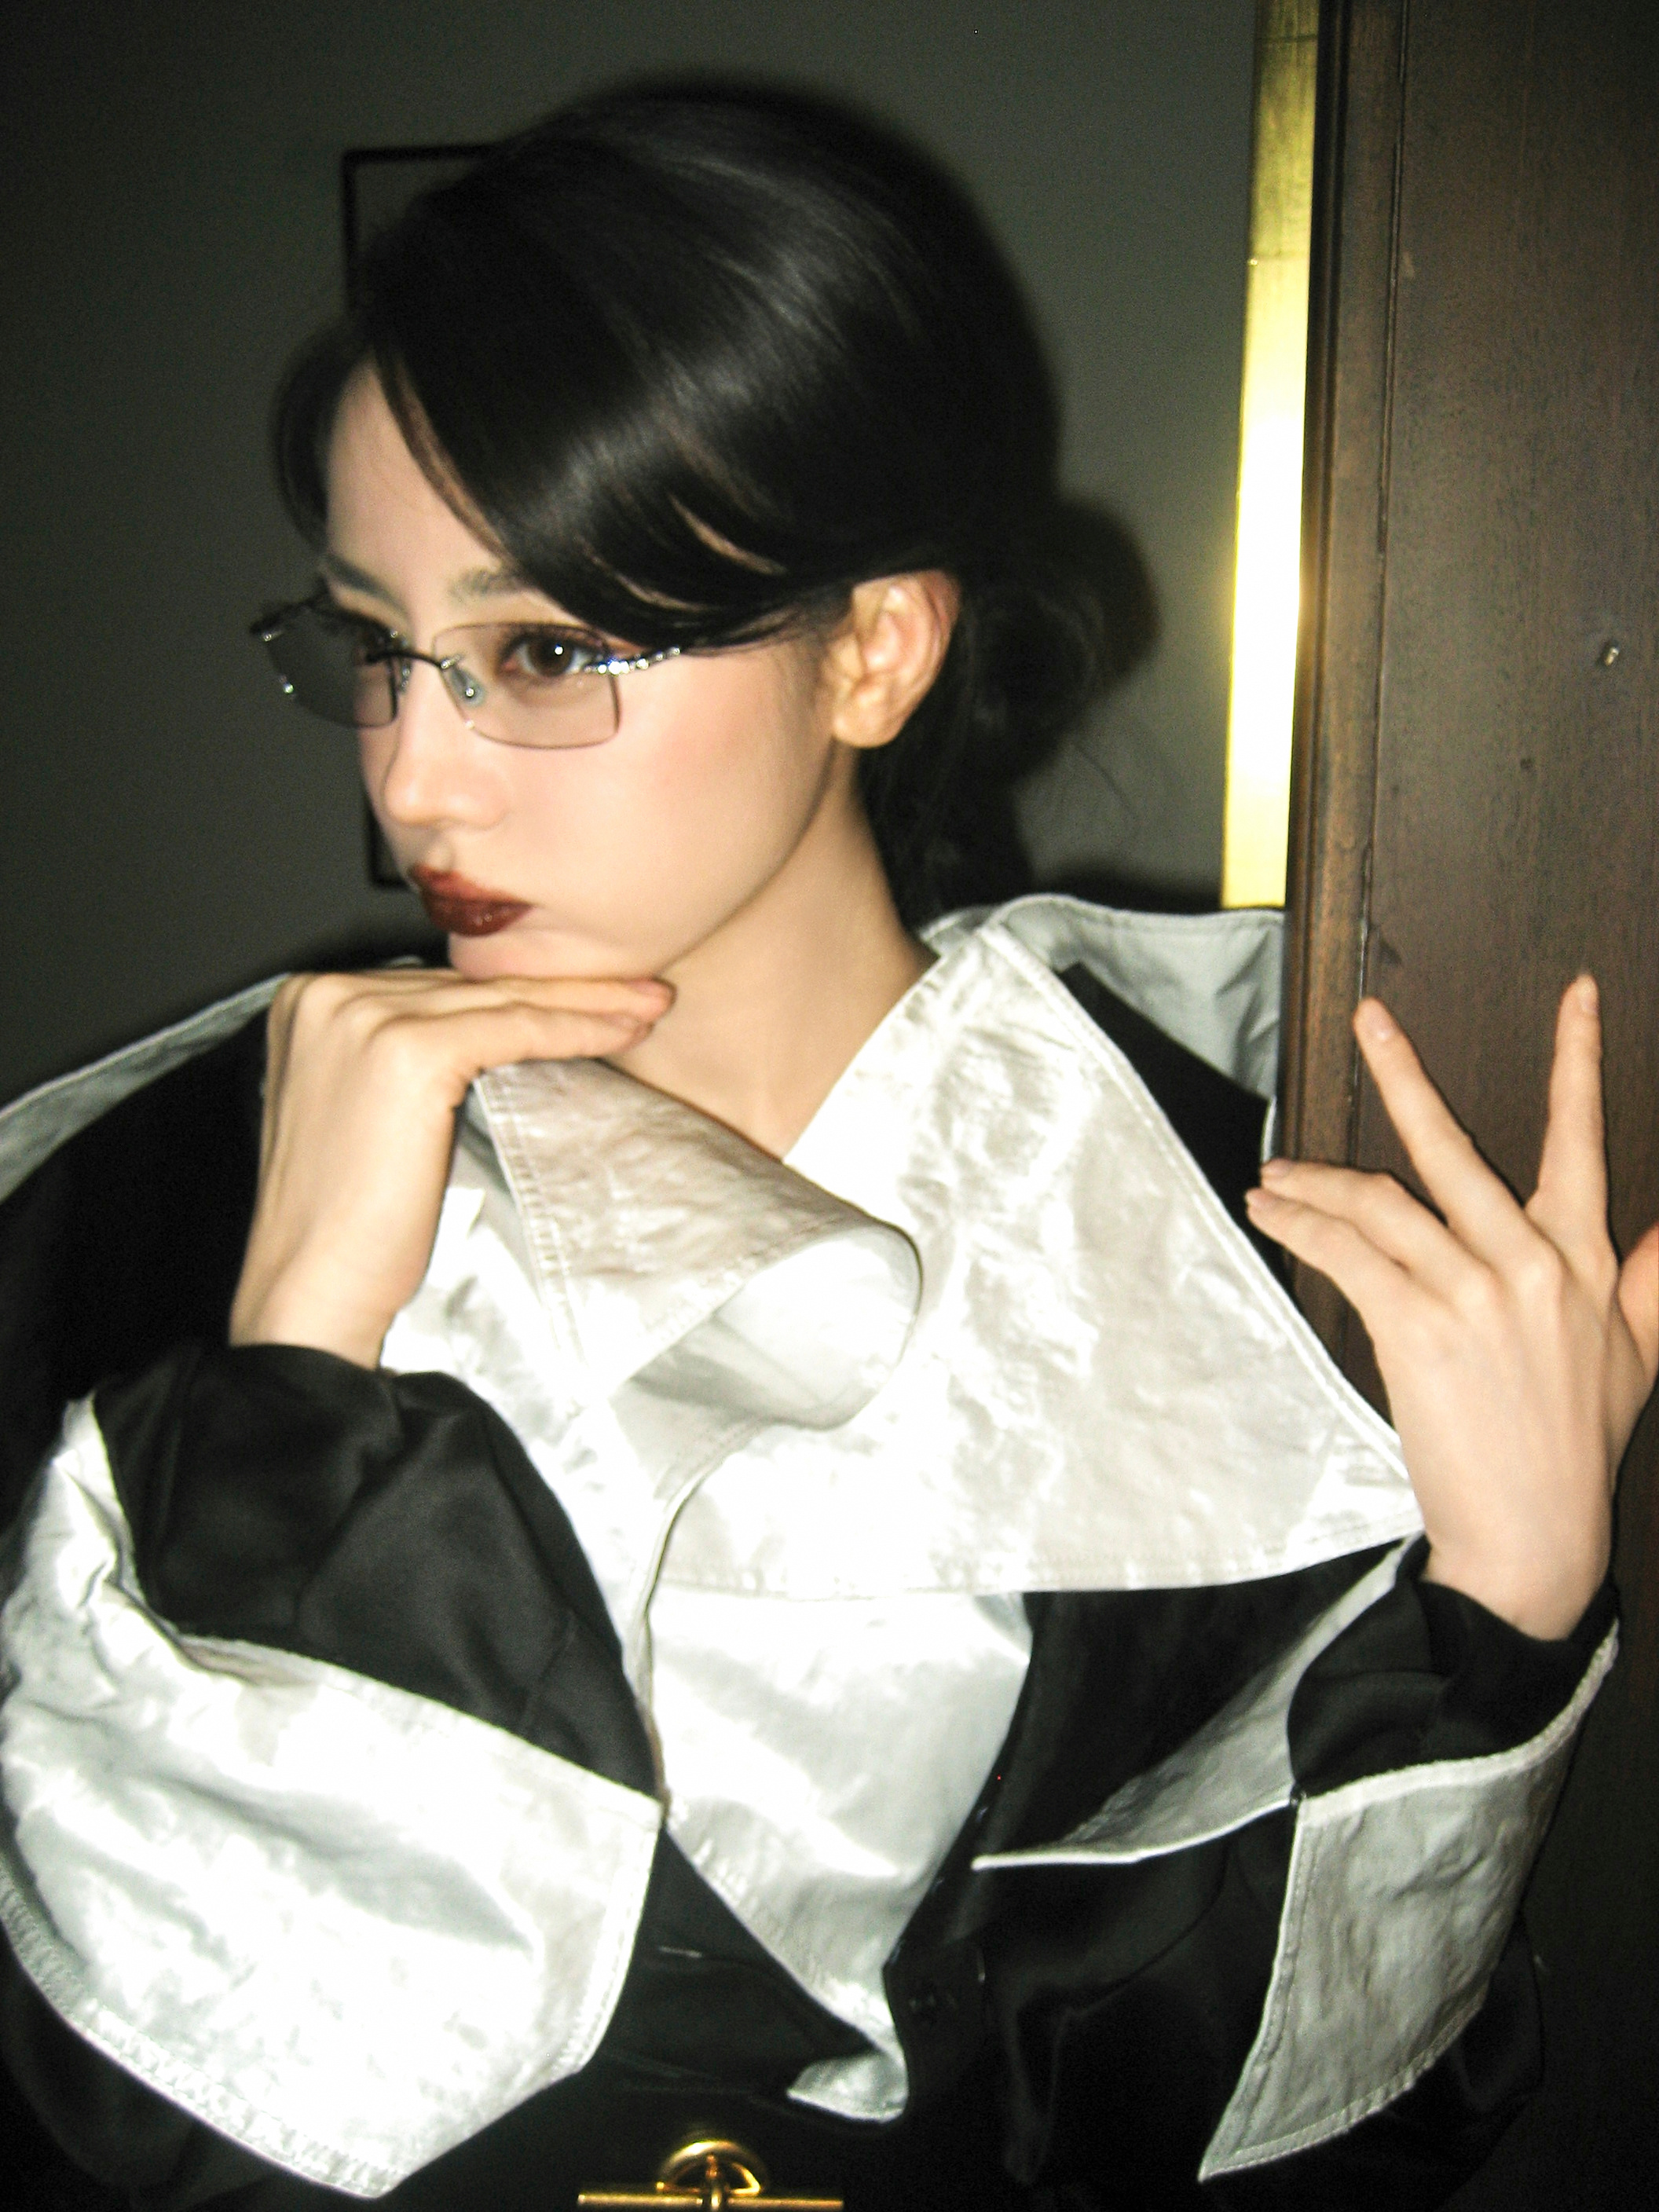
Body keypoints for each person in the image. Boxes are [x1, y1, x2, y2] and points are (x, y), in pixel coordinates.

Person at [0, 80, 1654, 2212]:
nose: (411, 783)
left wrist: (1509, 1606)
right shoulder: (119, 1212)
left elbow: (1274, 2120)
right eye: (378, 652)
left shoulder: (1248, 1235)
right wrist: (291, 1373)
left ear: (872, 649)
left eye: (540, 653)